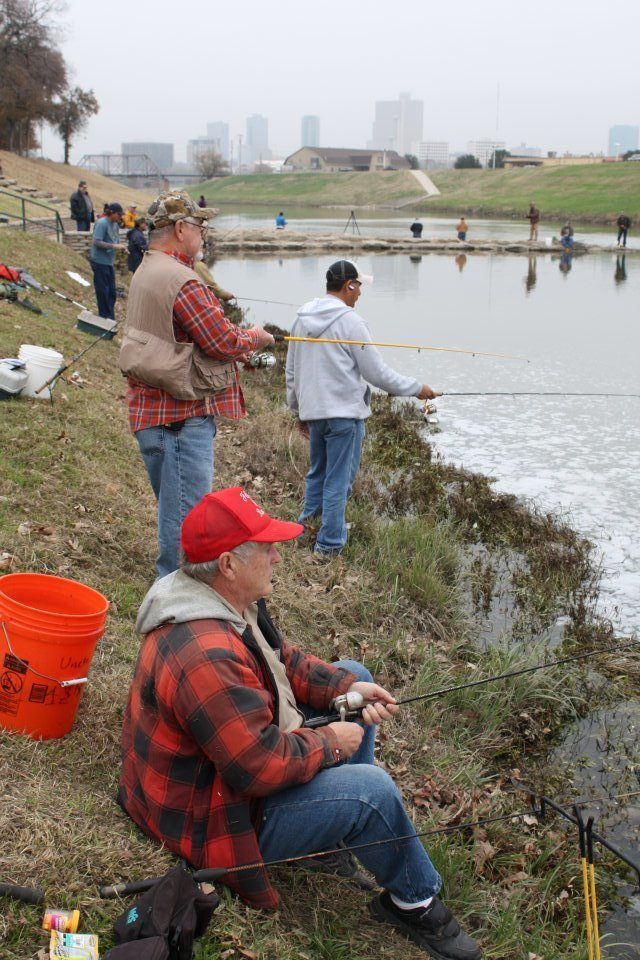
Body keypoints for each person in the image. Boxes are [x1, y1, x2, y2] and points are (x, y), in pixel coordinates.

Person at [119, 487, 482, 960]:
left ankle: (329, 840)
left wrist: (345, 686)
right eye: (266, 547)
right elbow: (256, 767)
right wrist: (332, 740)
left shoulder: (221, 600)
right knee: (371, 792)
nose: (277, 556)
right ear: (228, 563)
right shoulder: (206, 651)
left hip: (228, 774)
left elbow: (279, 661)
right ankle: (413, 901)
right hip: (212, 817)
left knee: (358, 679)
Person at [119, 191, 274, 579]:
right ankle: (175, 610)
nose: (204, 233)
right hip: (179, 424)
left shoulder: (147, 268)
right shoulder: (181, 280)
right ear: (180, 228)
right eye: (199, 225)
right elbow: (222, 340)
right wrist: (254, 338)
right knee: (184, 529)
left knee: (175, 512)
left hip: (154, 416)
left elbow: (182, 336)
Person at [285, 259, 439, 557]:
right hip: (344, 416)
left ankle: (307, 528)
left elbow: (291, 371)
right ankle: (329, 545)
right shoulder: (351, 322)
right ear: (348, 286)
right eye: (358, 287)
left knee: (318, 473)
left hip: (315, 413)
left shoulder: (302, 318)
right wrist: (418, 389)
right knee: (338, 481)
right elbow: (377, 374)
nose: (360, 294)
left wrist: (298, 411)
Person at [90, 202, 123, 319]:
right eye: (118, 215)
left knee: (112, 292)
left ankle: (110, 317)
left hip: (109, 263)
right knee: (103, 292)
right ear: (112, 213)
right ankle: (104, 317)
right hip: (99, 262)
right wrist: (113, 246)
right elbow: (97, 241)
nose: (120, 217)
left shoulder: (115, 225)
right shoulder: (102, 223)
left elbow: (115, 241)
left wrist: (122, 247)